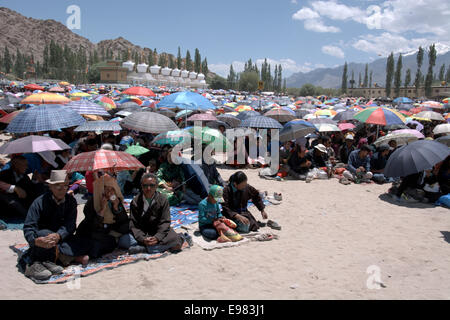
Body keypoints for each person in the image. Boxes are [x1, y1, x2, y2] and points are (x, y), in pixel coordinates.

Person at [22, 170, 77, 281]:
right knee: (44, 234)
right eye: (58, 186)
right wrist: (35, 240)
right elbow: (29, 227)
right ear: (50, 186)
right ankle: (35, 265)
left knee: (85, 242)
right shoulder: (39, 202)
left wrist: (59, 235)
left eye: (65, 186)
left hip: (60, 239)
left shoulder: (71, 201)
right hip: (43, 239)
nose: (63, 190)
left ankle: (50, 260)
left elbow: (71, 225)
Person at [128, 173, 191, 254]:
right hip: (143, 231)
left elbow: (165, 221)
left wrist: (157, 237)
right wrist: (142, 238)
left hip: (158, 229)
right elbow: (134, 224)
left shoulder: (163, 199)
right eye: (145, 185)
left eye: (152, 185)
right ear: (141, 186)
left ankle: (145, 249)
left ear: (157, 186)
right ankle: (151, 246)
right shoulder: (135, 202)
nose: (148, 188)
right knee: (126, 241)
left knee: (175, 241)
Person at [73, 174, 132, 259]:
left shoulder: (115, 200)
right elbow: (93, 225)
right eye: (106, 190)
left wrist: (116, 208)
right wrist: (102, 210)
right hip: (92, 233)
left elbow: (123, 221)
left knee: (121, 237)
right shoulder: (91, 203)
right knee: (100, 243)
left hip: (108, 232)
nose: (110, 193)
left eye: (112, 190)